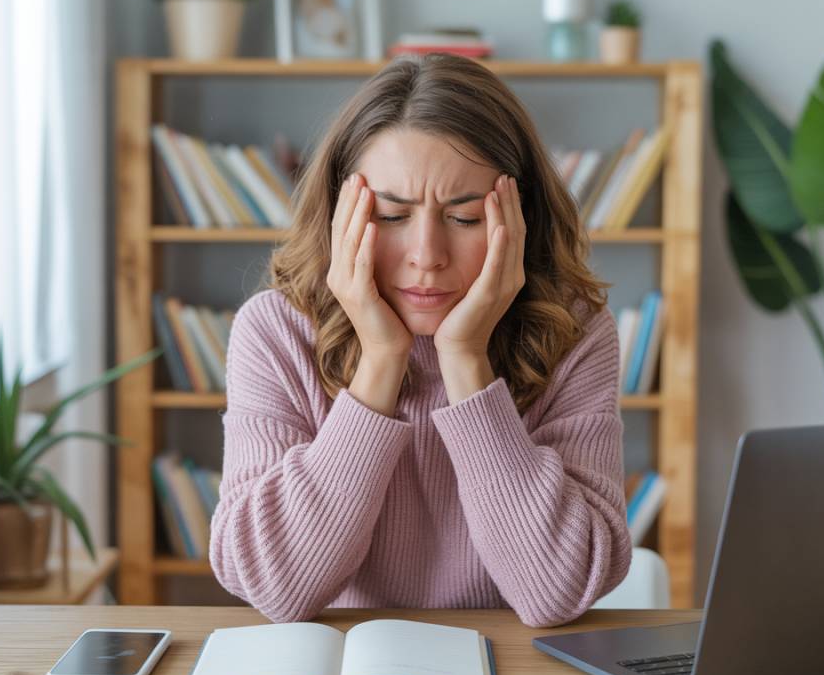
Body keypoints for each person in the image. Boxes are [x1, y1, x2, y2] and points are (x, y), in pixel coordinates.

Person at [209, 53, 632, 628]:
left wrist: (464, 361)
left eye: (464, 219)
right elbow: (276, 587)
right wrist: (382, 360)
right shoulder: (275, 332)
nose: (427, 256)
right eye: (389, 215)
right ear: (341, 216)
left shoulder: (575, 333)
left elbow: (556, 591)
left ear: (521, 218)